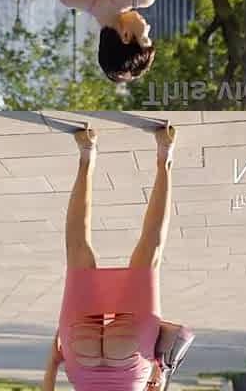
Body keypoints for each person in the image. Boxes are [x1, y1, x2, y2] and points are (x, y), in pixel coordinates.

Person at [42, 124, 194, 391]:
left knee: (150, 250)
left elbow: (156, 385)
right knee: (77, 248)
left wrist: (158, 373)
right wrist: (54, 362)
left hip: (131, 361)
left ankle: (165, 155)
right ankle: (86, 153)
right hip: (81, 355)